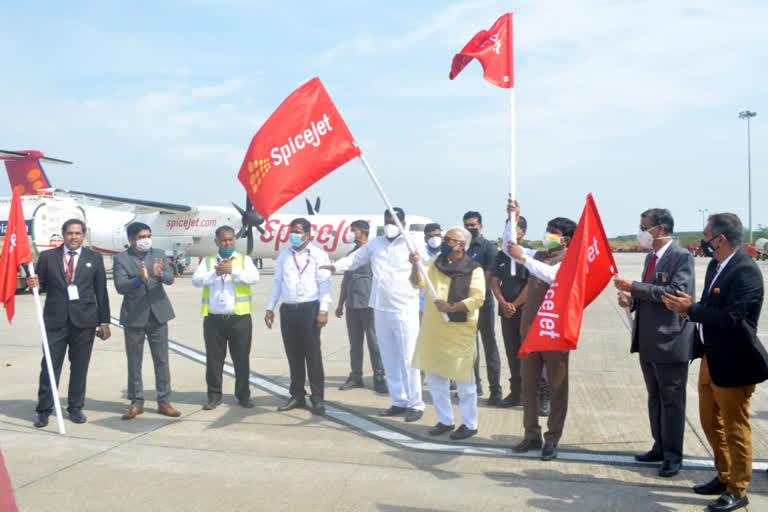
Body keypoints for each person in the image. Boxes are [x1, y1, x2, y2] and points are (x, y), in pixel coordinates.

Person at [663, 213, 768, 512]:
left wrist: (692, 310)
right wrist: (688, 309)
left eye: (707, 235)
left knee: (735, 427)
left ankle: (738, 488)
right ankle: (724, 476)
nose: (703, 241)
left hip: (736, 361)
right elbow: (710, 307)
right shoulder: (715, 265)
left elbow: (734, 318)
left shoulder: (745, 270)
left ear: (720, 239)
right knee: (711, 422)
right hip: (712, 356)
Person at [323, 208, 428, 422]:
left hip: (404, 307)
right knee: (389, 358)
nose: (390, 224)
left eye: (394, 221)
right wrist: (334, 267)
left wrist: (416, 260)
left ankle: (416, 403)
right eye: (387, 221)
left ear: (404, 224)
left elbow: (427, 266)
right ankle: (399, 401)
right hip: (380, 308)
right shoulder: (376, 244)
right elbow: (354, 260)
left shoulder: (413, 242)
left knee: (408, 358)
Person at [613, 209, 695, 478]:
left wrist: (635, 287)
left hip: (670, 340)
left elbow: (675, 293)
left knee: (672, 400)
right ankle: (659, 447)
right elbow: (650, 291)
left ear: (659, 229)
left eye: (644, 227)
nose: (641, 231)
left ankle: (673, 456)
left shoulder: (681, 257)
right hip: (648, 339)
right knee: (655, 397)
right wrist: (631, 299)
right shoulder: (651, 257)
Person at [506, 202, 576, 461]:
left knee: (557, 387)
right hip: (530, 332)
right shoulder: (539, 254)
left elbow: (551, 277)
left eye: (552, 231)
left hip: (554, 333)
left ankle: (553, 437)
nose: (546, 234)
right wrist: (511, 218)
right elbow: (508, 247)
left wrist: (522, 256)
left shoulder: (569, 259)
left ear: (565, 239)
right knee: (529, 385)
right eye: (546, 230)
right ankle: (531, 434)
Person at [28, 219, 111, 428]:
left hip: (84, 322)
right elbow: (41, 287)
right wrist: (33, 285)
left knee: (80, 367)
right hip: (55, 321)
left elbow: (101, 292)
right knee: (49, 367)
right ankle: (44, 410)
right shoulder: (48, 257)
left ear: (83, 235)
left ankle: (75, 407)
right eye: (69, 233)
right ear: (63, 235)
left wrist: (104, 322)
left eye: (78, 233)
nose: (73, 237)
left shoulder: (94, 258)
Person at [410, 227, 485, 439]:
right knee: (435, 379)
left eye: (448, 240)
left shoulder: (474, 269)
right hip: (434, 331)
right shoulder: (435, 263)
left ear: (461, 245)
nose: (443, 242)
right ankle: (445, 420)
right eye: (444, 238)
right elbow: (417, 282)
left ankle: (469, 425)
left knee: (464, 383)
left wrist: (452, 307)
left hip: (459, 332)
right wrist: (414, 265)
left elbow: (478, 299)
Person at [114, 222, 181, 420]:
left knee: (161, 360)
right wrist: (138, 280)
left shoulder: (158, 253)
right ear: (132, 239)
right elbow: (120, 286)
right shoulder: (121, 259)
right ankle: (136, 403)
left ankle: (164, 401)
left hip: (158, 314)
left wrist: (160, 275)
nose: (146, 240)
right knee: (134, 361)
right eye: (142, 237)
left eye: (148, 236)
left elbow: (170, 278)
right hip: (134, 316)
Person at [266, 218, 331, 416]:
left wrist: (323, 310)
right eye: (291, 231)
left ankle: (317, 398)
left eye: (297, 231)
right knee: (293, 355)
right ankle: (297, 395)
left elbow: (325, 285)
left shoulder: (319, 255)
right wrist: (270, 308)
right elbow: (277, 282)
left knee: (313, 356)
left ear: (308, 235)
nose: (293, 235)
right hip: (288, 310)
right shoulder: (284, 256)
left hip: (310, 310)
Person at [192, 225, 260, 410]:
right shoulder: (208, 261)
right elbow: (196, 281)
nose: (227, 243)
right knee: (214, 359)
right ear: (216, 242)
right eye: (223, 240)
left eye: (230, 239)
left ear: (235, 241)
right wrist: (216, 272)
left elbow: (254, 278)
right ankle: (214, 396)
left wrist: (232, 271)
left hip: (239, 319)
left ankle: (243, 395)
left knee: (242, 359)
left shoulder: (244, 260)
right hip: (214, 319)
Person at [335, 220, 387, 394]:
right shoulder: (352, 253)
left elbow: (380, 281)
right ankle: (356, 376)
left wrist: (377, 304)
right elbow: (346, 280)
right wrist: (340, 303)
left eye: (353, 230)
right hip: (352, 305)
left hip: (369, 305)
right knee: (355, 344)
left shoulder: (373, 252)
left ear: (363, 231)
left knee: (374, 343)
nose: (351, 233)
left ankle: (379, 378)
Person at [463, 211, 502, 405]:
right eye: (467, 225)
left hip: (482, 305)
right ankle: (474, 384)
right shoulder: (463, 247)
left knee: (489, 345)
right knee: (470, 347)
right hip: (465, 306)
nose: (470, 228)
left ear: (481, 226)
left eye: (473, 225)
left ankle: (495, 390)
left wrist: (474, 298)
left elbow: (488, 277)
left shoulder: (488, 248)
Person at [491, 215, 529, 408]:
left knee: (529, 354)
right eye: (507, 228)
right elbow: (495, 280)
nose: (509, 233)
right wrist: (503, 302)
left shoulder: (530, 252)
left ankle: (536, 395)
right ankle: (516, 393)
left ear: (523, 231)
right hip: (506, 313)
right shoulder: (502, 254)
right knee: (512, 352)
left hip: (525, 312)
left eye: (513, 229)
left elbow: (533, 283)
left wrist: (515, 304)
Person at [419, 223, 442, 322]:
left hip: (444, 305)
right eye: (430, 236)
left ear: (441, 236)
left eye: (437, 236)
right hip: (424, 306)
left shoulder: (449, 253)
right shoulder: (419, 254)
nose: (434, 239)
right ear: (425, 239)